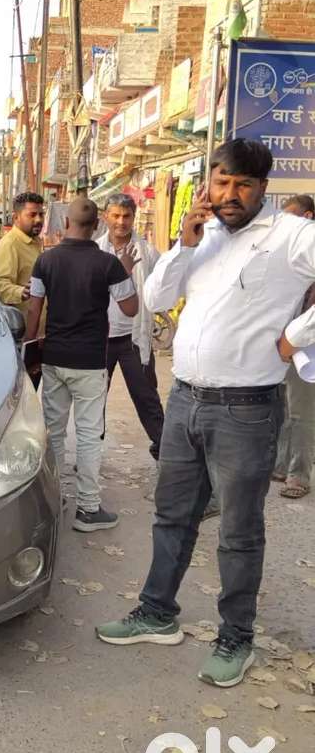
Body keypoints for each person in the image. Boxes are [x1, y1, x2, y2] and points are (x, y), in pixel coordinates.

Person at [96, 139, 315, 689]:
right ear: (209, 182)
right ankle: (156, 612)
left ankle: (236, 637)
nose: (230, 194)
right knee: (172, 514)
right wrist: (184, 243)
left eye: (243, 184)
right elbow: (154, 298)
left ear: (263, 187)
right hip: (187, 399)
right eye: (222, 182)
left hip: (246, 410)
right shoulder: (205, 234)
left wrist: (297, 335)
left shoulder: (290, 237)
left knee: (238, 532)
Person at [24, 197, 138, 531]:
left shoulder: (45, 261)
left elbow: (34, 310)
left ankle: (55, 498)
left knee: (54, 433)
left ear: (64, 224)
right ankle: (88, 509)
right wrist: (126, 272)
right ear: (98, 226)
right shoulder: (109, 264)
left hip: (54, 358)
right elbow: (130, 308)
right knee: (89, 435)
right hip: (89, 362)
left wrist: (30, 348)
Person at [97, 193, 164, 460]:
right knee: (94, 401)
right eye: (115, 215)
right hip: (101, 338)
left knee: (147, 396)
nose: (121, 222)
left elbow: (162, 285)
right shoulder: (96, 251)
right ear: (106, 217)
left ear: (134, 218)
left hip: (135, 339)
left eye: (126, 216)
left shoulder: (147, 252)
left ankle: (165, 452)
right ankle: (90, 455)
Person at [272, 193, 315, 498]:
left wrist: (294, 339)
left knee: (301, 412)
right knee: (284, 407)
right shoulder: (292, 254)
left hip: (306, 345)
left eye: (292, 217)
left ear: (309, 217)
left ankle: (299, 474)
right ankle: (281, 464)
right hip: (286, 342)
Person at [0, 192, 45, 315]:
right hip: (24, 330)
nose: (38, 219)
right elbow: (0, 287)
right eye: (32, 215)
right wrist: (22, 292)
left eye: (41, 214)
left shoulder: (36, 241)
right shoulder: (9, 245)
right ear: (16, 218)